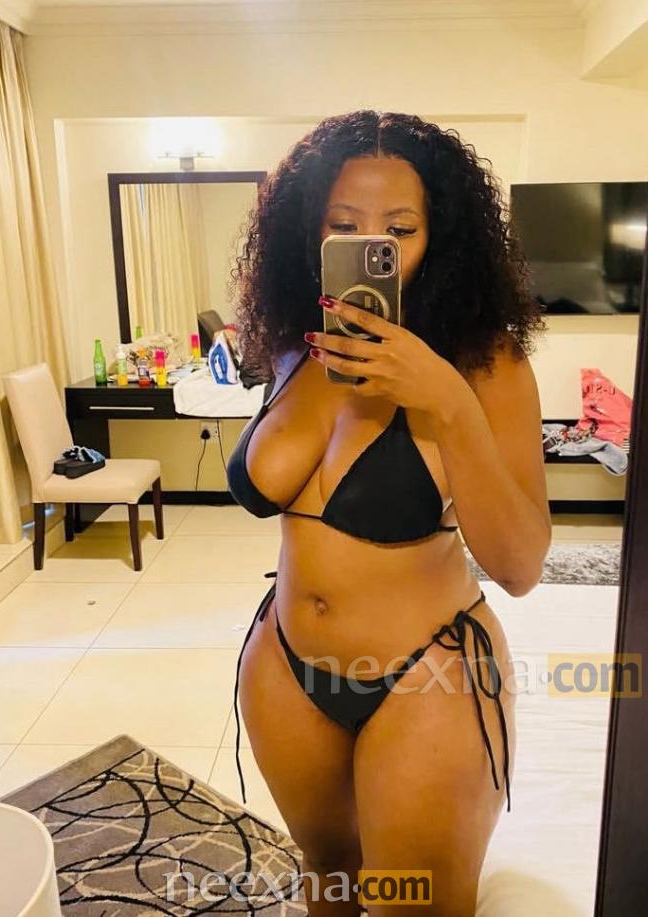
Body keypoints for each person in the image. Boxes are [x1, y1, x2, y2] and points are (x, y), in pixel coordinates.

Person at [225, 110, 551, 916]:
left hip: (426, 675)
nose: (372, 244)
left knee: (416, 904)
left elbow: (519, 564)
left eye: (399, 229)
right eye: (344, 225)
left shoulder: (485, 362)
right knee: (329, 876)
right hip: (286, 666)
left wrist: (446, 400)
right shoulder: (295, 345)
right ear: (310, 232)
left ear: (441, 237)